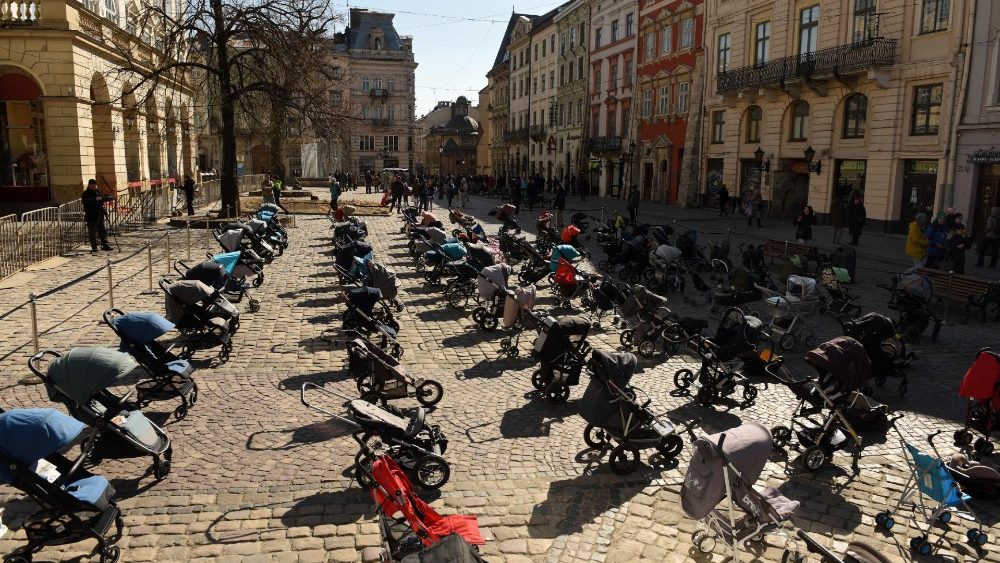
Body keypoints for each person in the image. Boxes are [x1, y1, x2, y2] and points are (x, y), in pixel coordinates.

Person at [82, 179, 112, 252]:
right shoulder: (85, 193)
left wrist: (106, 198)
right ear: (89, 185)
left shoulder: (97, 192)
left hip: (99, 214)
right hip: (91, 215)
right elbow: (86, 202)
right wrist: (95, 199)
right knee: (92, 232)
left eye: (95, 185)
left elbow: (101, 199)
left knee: (102, 230)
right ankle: (94, 246)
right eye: (92, 185)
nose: (93, 186)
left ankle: (105, 245)